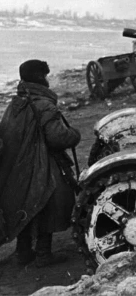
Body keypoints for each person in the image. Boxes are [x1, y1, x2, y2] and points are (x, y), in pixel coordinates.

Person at [0, 59, 81, 267]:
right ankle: (44, 254)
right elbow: (57, 138)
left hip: (17, 169)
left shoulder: (14, 105)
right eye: (44, 75)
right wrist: (74, 135)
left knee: (24, 205)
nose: (47, 80)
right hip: (43, 165)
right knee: (49, 202)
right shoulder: (44, 105)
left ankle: (23, 252)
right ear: (38, 77)